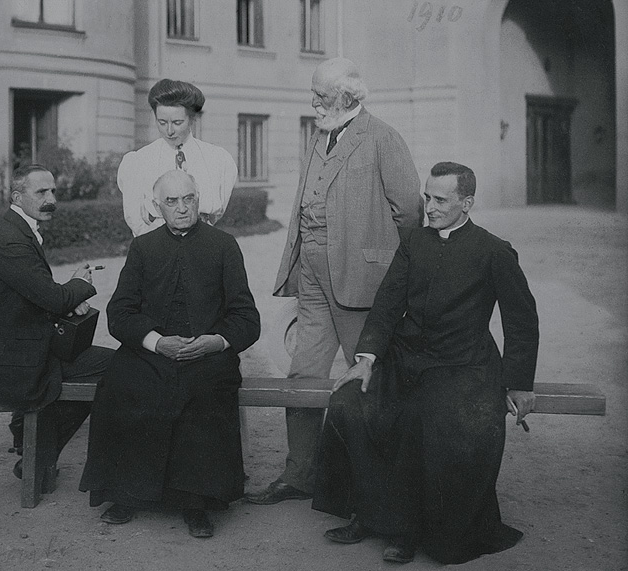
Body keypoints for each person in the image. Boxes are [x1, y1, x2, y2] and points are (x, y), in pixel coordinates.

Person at [312, 162, 540, 564]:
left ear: (466, 203)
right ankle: (369, 514)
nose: (429, 208)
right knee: (349, 402)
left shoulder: (494, 251)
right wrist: (366, 358)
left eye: (440, 200)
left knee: (426, 417)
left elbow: (520, 320)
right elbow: (388, 302)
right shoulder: (415, 242)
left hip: (462, 363)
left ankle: (407, 530)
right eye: (427, 197)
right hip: (406, 358)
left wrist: (519, 383)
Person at [247, 57, 423, 505]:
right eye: (314, 93)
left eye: (321, 96)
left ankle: (379, 490)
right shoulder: (319, 136)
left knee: (365, 379)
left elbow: (409, 211)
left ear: (346, 97)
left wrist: (393, 274)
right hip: (311, 274)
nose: (314, 102)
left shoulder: (382, 137)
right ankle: (300, 474)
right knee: (302, 373)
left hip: (360, 280)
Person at [79, 170, 260, 538]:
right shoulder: (143, 248)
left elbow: (246, 317)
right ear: (156, 206)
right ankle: (126, 494)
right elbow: (121, 313)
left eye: (188, 199)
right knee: (122, 382)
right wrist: (155, 342)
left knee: (204, 390)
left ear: (198, 199)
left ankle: (196, 502)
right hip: (151, 352)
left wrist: (216, 342)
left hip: (207, 353)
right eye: (172, 201)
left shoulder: (224, 246)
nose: (181, 208)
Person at [0, 164, 114, 483]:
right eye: (41, 192)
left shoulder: (17, 230)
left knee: (101, 365)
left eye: (53, 191)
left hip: (20, 348)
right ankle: (36, 453)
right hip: (12, 360)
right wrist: (78, 286)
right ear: (17, 197)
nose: (50, 199)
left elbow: (36, 297)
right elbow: (52, 299)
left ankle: (32, 448)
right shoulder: (11, 241)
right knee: (111, 368)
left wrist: (67, 300)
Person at [117, 78, 237, 237]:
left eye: (177, 122)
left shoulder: (218, 159)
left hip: (203, 241)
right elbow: (135, 218)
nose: (169, 131)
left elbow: (216, 214)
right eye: (162, 122)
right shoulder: (139, 161)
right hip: (155, 243)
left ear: (192, 119)